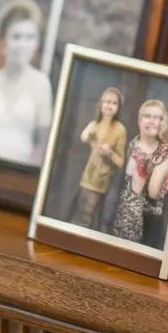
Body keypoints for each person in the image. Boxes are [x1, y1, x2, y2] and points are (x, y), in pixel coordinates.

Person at [0, 0, 53, 165]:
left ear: (37, 43)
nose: (23, 44)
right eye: (16, 36)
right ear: (4, 41)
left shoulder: (41, 83)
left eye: (30, 37)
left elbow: (43, 144)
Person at [112, 99, 168, 246]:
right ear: (140, 120)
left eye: (157, 118)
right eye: (148, 116)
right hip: (125, 224)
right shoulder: (127, 148)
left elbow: (157, 193)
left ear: (164, 123)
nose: (152, 121)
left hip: (153, 227)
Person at [74, 87, 128, 229]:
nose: (109, 106)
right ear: (100, 104)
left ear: (119, 107)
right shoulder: (94, 124)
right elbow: (84, 138)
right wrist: (87, 135)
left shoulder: (120, 129)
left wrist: (109, 153)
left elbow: (121, 162)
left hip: (103, 181)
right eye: (106, 102)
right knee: (80, 216)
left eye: (113, 103)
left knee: (90, 218)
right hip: (87, 177)